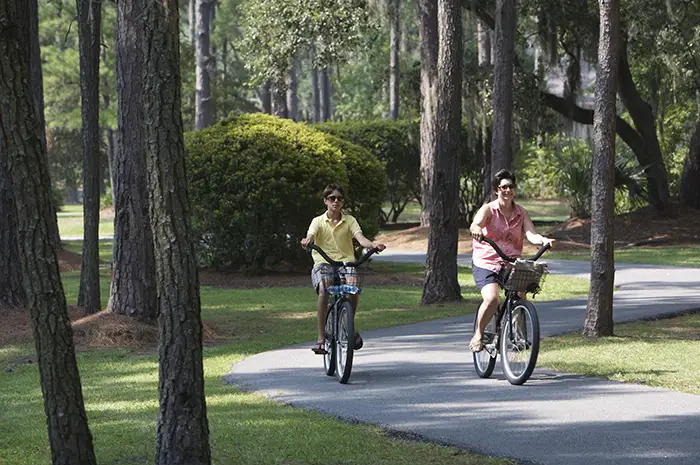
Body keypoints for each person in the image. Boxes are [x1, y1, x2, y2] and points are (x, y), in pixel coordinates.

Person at [468, 169, 555, 352]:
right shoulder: (489, 209)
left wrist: (543, 240)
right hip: (487, 261)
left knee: (520, 294)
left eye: (511, 187)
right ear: (496, 190)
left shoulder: (521, 213)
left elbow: (531, 234)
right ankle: (478, 334)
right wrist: (476, 228)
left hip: (510, 262)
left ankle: (519, 337)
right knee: (492, 299)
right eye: (504, 187)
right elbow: (476, 223)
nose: (508, 190)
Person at [301, 184, 386, 355]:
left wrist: (373, 245)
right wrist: (307, 240)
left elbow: (360, 239)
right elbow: (310, 235)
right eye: (332, 198)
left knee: (354, 288)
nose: (336, 201)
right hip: (323, 262)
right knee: (324, 290)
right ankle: (321, 339)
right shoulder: (317, 221)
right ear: (326, 201)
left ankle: (348, 324)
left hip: (346, 262)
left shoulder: (350, 220)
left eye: (339, 198)